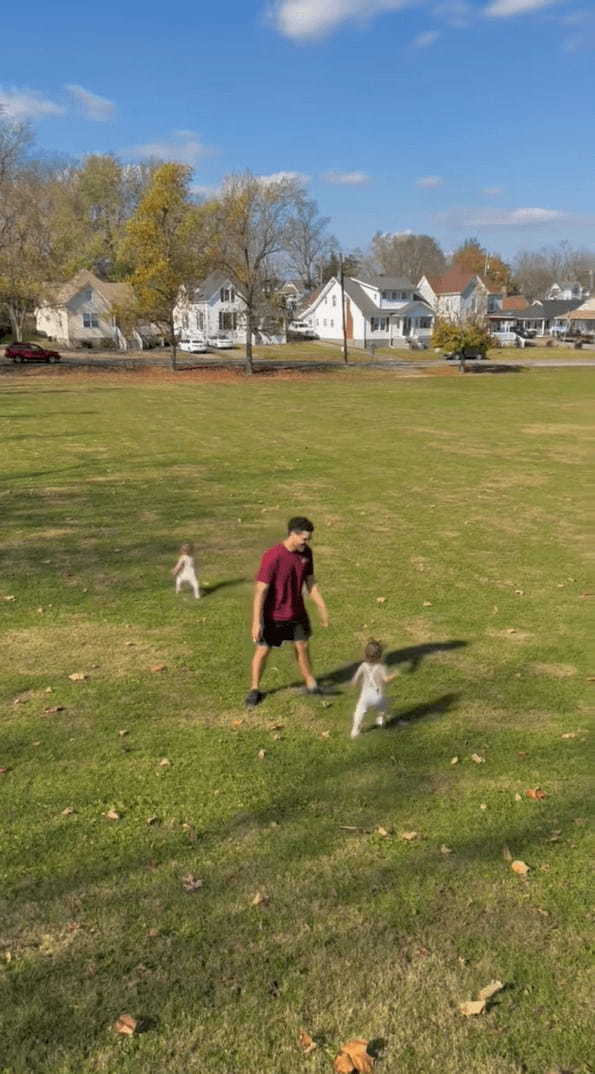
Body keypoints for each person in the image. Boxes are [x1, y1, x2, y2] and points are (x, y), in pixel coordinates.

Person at [245, 516, 329, 708]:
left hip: (297, 613)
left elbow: (310, 581)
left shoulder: (306, 553)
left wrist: (321, 605)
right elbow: (261, 590)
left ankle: (310, 682)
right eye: (304, 539)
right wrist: (256, 622)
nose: (307, 543)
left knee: (302, 647)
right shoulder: (273, 556)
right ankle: (254, 689)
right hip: (273, 616)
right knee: (263, 650)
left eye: (308, 539)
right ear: (293, 534)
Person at [350, 640, 397, 738]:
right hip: (377, 695)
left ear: (365, 654)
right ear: (380, 657)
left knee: (359, 711)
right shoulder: (381, 667)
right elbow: (386, 680)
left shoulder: (363, 666)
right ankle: (380, 719)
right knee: (383, 706)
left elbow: (355, 679)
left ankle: (355, 730)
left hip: (365, 695)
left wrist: (355, 683)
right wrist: (394, 675)